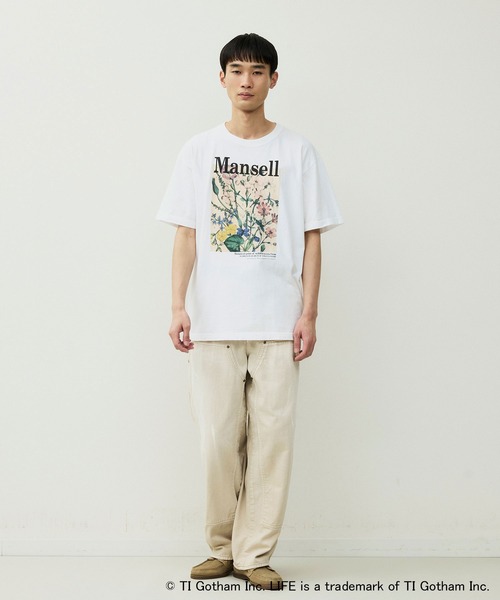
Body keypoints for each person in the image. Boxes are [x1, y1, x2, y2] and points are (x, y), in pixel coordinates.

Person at [157, 33, 343, 591]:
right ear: (222, 79)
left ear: (273, 80)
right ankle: (221, 547)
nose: (246, 81)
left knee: (272, 442)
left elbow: (312, 237)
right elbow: (186, 234)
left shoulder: (297, 151)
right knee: (217, 439)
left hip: (278, 322)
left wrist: (309, 313)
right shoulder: (198, 150)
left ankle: (254, 554)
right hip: (213, 321)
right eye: (236, 70)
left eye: (257, 71)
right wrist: (178, 305)